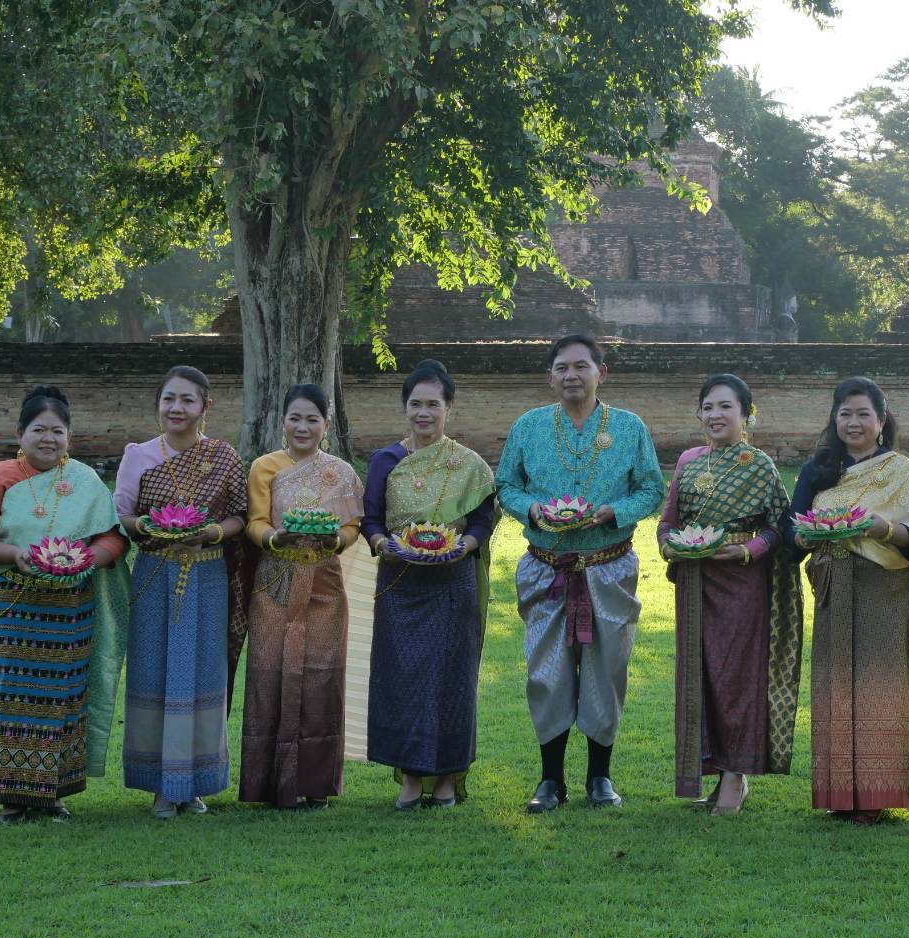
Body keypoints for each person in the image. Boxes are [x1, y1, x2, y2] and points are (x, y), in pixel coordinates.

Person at [496, 333, 665, 812]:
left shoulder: (629, 428)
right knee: (547, 674)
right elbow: (506, 484)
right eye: (562, 368)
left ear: (601, 373)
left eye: (581, 367)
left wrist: (613, 511)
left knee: (605, 671)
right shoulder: (528, 427)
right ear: (550, 376)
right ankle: (550, 780)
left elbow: (652, 489)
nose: (572, 375)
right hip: (546, 570)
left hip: (608, 568)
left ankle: (599, 777)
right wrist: (533, 511)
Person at [0, 385, 130, 824]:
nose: (48, 439)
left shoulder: (86, 482)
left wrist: (88, 559)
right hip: (10, 609)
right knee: (10, 700)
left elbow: (113, 537)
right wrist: (17, 556)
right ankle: (12, 796)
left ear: (69, 436)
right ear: (20, 433)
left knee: (63, 700)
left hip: (68, 612)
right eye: (39, 430)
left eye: (58, 431)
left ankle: (53, 793)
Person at [782, 377, 909, 824]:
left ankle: (874, 796)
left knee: (878, 685)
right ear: (834, 420)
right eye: (845, 414)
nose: (853, 423)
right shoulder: (818, 470)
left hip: (883, 586)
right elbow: (792, 538)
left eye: (863, 414)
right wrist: (805, 534)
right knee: (835, 685)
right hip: (833, 584)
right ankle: (840, 792)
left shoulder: (898, 470)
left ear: (881, 420)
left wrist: (880, 528)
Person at [658, 374, 800, 816]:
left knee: (734, 678)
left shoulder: (758, 465)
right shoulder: (688, 461)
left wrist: (746, 551)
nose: (716, 415)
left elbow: (782, 526)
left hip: (742, 585)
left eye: (726, 407)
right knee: (698, 678)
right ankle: (713, 770)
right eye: (708, 407)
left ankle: (735, 776)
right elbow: (667, 520)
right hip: (695, 582)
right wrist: (667, 545)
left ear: (745, 414)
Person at [114, 365, 249, 818]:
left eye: (188, 400)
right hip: (155, 575)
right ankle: (160, 785)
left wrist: (209, 532)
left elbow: (239, 517)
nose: (177, 408)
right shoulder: (138, 456)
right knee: (155, 675)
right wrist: (154, 526)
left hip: (208, 576)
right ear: (159, 403)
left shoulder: (224, 457)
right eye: (169, 398)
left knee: (201, 677)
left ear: (205, 406)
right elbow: (122, 517)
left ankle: (194, 783)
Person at [362, 360, 497, 810]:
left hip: (453, 582)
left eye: (433, 404)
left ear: (449, 408)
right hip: (401, 582)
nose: (424, 413)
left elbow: (482, 518)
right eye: (415, 404)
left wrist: (465, 547)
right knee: (402, 678)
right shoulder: (386, 460)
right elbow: (372, 519)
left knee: (451, 679)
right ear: (405, 408)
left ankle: (446, 777)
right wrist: (383, 544)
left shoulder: (469, 465)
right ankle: (410, 778)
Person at [240, 382, 363, 809]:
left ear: (326, 425)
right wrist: (277, 537)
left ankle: (315, 784)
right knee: (269, 673)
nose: (303, 426)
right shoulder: (264, 468)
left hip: (324, 582)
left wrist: (333, 541)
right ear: (282, 423)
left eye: (313, 419)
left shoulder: (342, 472)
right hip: (275, 580)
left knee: (321, 675)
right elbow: (254, 521)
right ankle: (266, 783)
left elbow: (352, 526)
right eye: (295, 417)